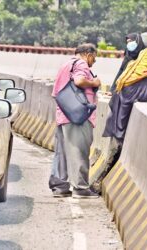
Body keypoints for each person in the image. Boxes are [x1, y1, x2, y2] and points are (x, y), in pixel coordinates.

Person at [49, 43, 101, 198]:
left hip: (64, 113)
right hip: (78, 115)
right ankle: (80, 187)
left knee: (62, 152)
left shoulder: (66, 64)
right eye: (94, 57)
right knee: (79, 150)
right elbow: (79, 81)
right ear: (88, 54)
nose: (94, 61)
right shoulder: (81, 64)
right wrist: (94, 83)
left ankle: (60, 186)